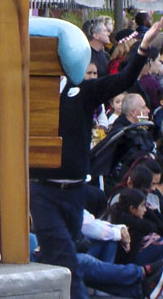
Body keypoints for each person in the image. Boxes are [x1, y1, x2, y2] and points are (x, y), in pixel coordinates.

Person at [30, 19, 163, 299]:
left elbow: (123, 80)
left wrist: (143, 47)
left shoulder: (81, 91)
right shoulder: (29, 95)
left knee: (63, 262)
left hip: (74, 192)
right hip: (43, 191)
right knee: (67, 260)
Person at [111, 188, 163, 265]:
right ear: (132, 209)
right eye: (143, 206)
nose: (145, 209)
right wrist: (151, 213)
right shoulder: (133, 229)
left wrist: (152, 212)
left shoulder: (136, 221)